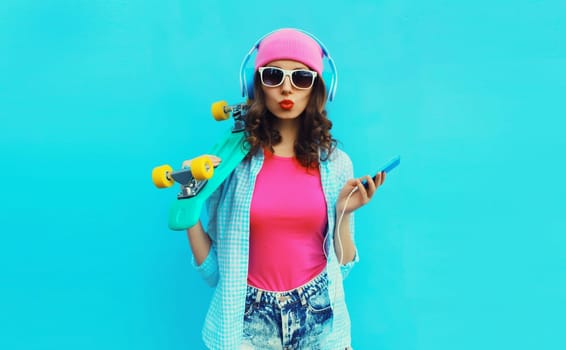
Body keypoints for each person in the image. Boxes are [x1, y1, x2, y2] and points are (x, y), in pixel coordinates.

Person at [185, 28, 386, 350]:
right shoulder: (231, 164)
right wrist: (189, 209)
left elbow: (343, 267)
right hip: (246, 320)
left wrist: (343, 213)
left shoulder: (336, 165)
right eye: (273, 76)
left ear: (318, 89)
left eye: (302, 78)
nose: (286, 88)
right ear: (256, 85)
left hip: (319, 314)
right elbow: (212, 274)